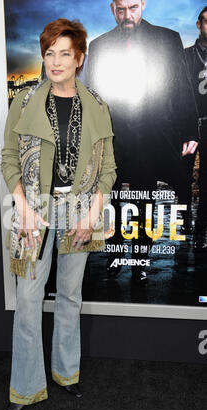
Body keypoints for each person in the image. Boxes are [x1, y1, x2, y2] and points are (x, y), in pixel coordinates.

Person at [1, 18, 116, 410]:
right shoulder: (25, 100)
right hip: (34, 209)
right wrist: (24, 206)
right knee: (29, 301)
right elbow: (9, 158)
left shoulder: (98, 106)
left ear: (79, 57)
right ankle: (26, 388)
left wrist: (93, 213)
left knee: (70, 296)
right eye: (49, 52)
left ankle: (67, 374)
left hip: (80, 209)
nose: (55, 61)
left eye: (64, 53)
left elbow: (109, 170)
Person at [86, 0, 199, 283]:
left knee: (144, 201)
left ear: (143, 5)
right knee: (109, 202)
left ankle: (139, 262)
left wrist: (190, 132)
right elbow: (93, 96)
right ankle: (113, 257)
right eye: (121, 9)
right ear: (113, 8)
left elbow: (182, 87)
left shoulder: (168, 39)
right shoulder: (99, 46)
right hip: (112, 138)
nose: (127, 16)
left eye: (133, 8)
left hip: (151, 136)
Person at [185, 7, 207, 251]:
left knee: (205, 180)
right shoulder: (185, 56)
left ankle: (200, 230)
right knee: (183, 176)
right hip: (187, 124)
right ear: (199, 24)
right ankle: (186, 224)